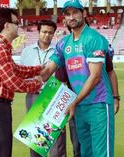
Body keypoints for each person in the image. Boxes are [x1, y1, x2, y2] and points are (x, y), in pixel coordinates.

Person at [40, 1, 115, 157]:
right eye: (68, 14)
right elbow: (46, 72)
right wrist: (20, 73)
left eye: (75, 12)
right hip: (80, 107)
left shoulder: (94, 38)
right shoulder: (63, 44)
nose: (71, 17)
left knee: (102, 153)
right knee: (86, 152)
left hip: (98, 104)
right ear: (64, 18)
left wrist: (74, 102)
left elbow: (95, 77)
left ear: (84, 14)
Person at [0, 8, 43, 157]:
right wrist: (38, 83)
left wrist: (39, 69)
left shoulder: (1, 47)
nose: (19, 26)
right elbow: (13, 82)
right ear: (7, 25)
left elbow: (16, 69)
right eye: (16, 23)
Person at [20, 20, 67, 157]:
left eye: (50, 33)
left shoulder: (59, 51)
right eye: (44, 32)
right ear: (38, 32)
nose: (47, 35)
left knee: (57, 140)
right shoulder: (27, 51)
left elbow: (63, 76)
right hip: (33, 95)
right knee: (35, 138)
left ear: (53, 34)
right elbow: (23, 75)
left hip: (54, 96)